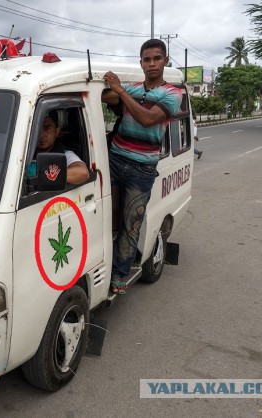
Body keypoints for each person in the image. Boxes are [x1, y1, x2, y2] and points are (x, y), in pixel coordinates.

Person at [101, 39, 183, 294]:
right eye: (147, 60)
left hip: (141, 169)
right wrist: (109, 89)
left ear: (165, 60)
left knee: (131, 223)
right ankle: (104, 265)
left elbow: (148, 119)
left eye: (156, 59)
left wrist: (120, 92)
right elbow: (105, 97)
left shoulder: (172, 94)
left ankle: (119, 275)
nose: (152, 64)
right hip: (114, 160)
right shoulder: (133, 88)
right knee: (107, 218)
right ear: (141, 63)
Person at [34, 111, 90, 184]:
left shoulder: (64, 154)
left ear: (57, 132)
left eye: (47, 128)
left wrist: (48, 175)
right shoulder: (24, 152)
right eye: (37, 129)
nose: (41, 135)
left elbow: (83, 173)